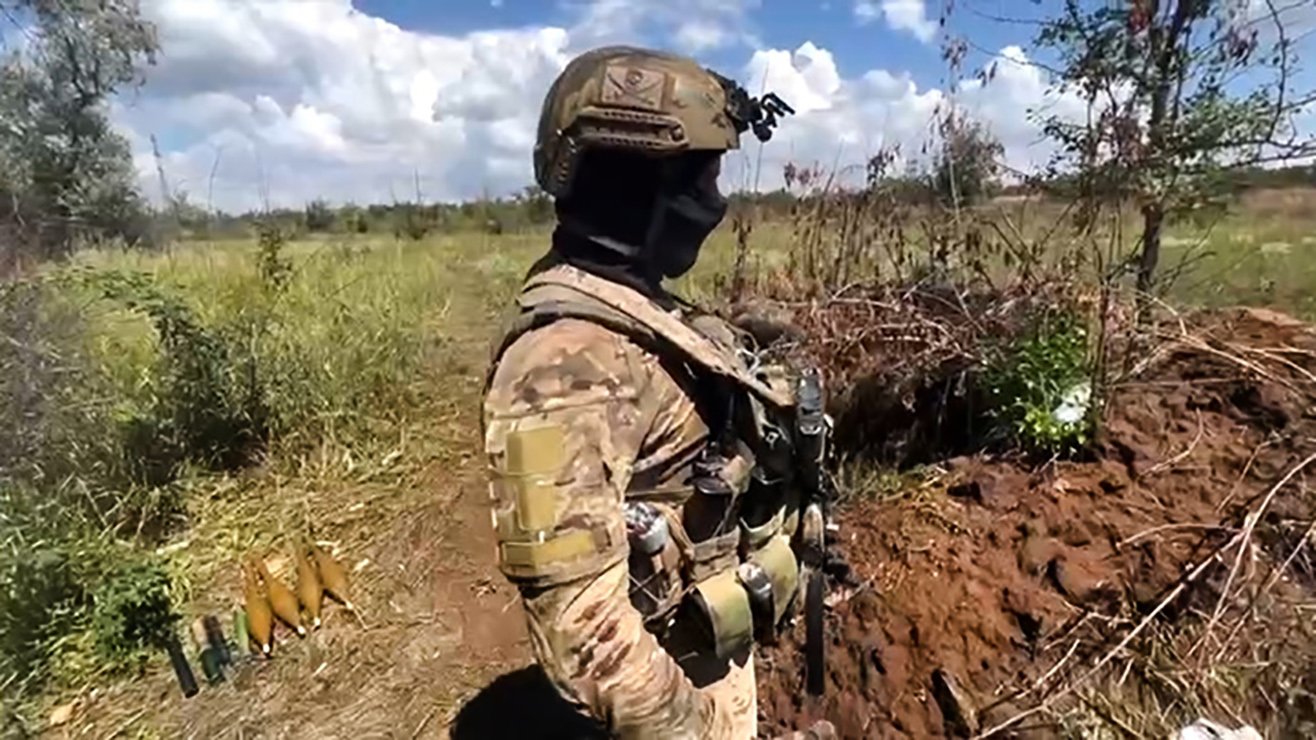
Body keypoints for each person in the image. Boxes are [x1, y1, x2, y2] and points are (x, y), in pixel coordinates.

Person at [481, 45, 837, 740]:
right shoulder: (558, 370)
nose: (715, 203)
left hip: (707, 643)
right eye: (702, 180)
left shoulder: (630, 305)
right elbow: (588, 641)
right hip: (673, 697)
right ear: (640, 188)